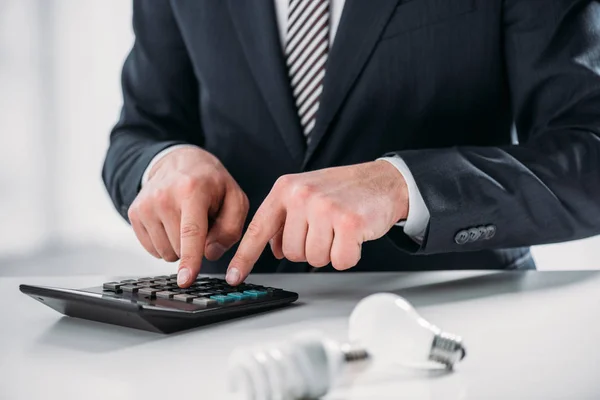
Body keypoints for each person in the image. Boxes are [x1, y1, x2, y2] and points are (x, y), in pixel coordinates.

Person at [103, 0, 600, 288]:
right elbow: (141, 129)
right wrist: (164, 164)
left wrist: (400, 187)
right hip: (227, 337)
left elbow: (588, 150)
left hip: (452, 332)